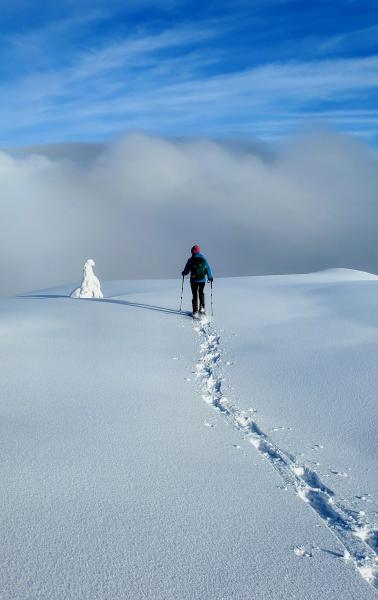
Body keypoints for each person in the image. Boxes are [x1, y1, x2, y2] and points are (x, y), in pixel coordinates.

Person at [182, 245, 213, 316]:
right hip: (202, 280)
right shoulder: (203, 259)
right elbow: (208, 268)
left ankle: (195, 311)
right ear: (199, 251)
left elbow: (186, 271)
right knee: (201, 293)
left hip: (193, 280)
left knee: (195, 295)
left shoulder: (190, 260)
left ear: (192, 251)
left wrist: (183, 273)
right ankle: (202, 309)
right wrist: (210, 277)